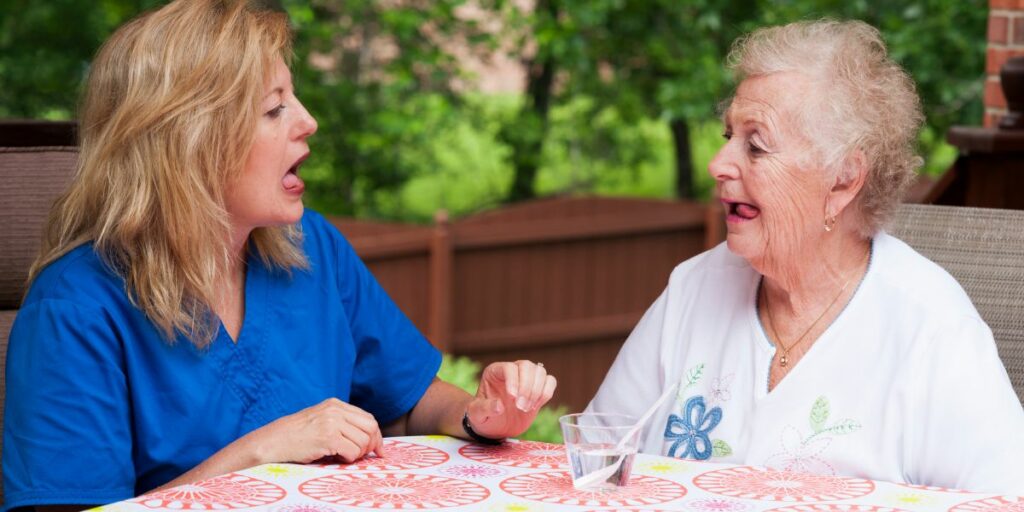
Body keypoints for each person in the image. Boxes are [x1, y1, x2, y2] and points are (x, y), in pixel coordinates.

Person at [2, 0, 556, 509]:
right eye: (274, 109)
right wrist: (258, 453)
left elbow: (409, 400)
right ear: (189, 143)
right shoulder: (75, 308)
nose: (307, 121)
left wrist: (479, 415)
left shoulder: (312, 248)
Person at [587, 20, 1024, 493]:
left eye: (755, 146)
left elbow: (1004, 498)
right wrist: (497, 435)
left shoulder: (930, 328)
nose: (718, 165)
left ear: (843, 179)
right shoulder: (695, 287)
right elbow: (595, 463)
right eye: (727, 137)